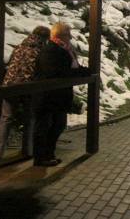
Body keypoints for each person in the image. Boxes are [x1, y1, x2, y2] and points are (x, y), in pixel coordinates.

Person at [0, 26, 50, 167]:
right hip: (27, 88)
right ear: (45, 38)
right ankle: (28, 150)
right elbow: (40, 71)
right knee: (30, 118)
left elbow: (10, 63)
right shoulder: (40, 51)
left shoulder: (19, 47)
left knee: (5, 119)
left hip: (9, 85)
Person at [34, 22, 89, 167]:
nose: (71, 37)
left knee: (57, 125)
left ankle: (48, 155)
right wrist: (82, 72)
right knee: (46, 127)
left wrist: (82, 71)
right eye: (68, 34)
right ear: (61, 35)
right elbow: (60, 72)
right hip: (47, 97)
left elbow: (68, 68)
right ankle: (41, 158)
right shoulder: (51, 50)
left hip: (57, 97)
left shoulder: (61, 49)